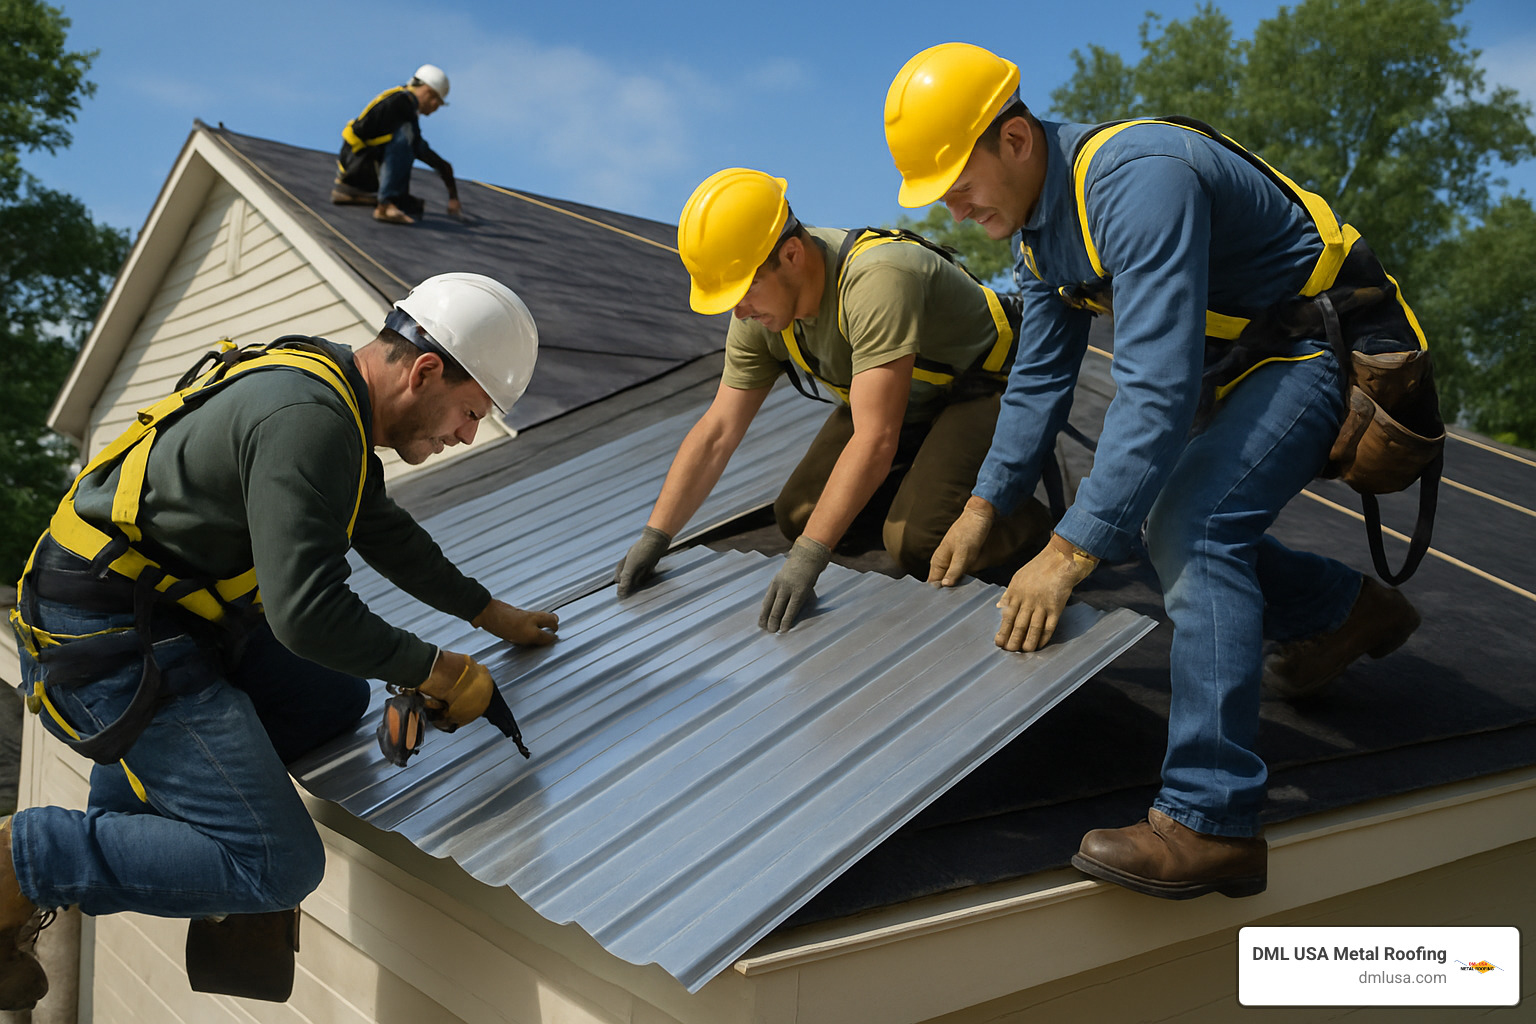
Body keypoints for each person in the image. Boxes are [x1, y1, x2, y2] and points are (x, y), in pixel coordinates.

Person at [883, 43, 1426, 899]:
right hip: (1243, 364)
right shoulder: (1037, 238)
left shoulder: (1137, 178)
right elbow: (1038, 382)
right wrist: (985, 504)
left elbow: (1157, 384)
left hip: (1313, 348)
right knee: (1129, 513)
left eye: (957, 176)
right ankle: (1346, 609)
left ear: (1016, 140)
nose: (951, 205)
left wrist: (1065, 552)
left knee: (1189, 523)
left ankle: (1213, 823)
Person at [1, 274, 557, 1009]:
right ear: (425, 371)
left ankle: (146, 808)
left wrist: (491, 615)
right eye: (468, 413)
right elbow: (308, 615)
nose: (464, 434)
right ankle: (21, 863)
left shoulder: (332, 395)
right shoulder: (310, 418)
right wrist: (439, 669)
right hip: (107, 629)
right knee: (278, 864)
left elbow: (382, 530)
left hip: (173, 611)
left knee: (332, 698)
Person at [614, 168, 1052, 632]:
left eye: (744, 290)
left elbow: (876, 440)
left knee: (917, 540)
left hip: (988, 386)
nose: (738, 310)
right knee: (798, 513)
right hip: (910, 403)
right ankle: (927, 485)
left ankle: (1025, 522)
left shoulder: (876, 279)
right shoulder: (758, 314)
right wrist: (656, 535)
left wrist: (808, 557)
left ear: (792, 254)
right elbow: (718, 430)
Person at [332, 63, 462, 225]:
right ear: (430, 94)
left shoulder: (404, 106)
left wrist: (453, 196)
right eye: (438, 103)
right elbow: (410, 145)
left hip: (358, 167)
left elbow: (424, 152)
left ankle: (380, 197)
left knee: (409, 140)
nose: (436, 108)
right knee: (406, 137)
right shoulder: (400, 103)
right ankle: (385, 205)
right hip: (356, 166)